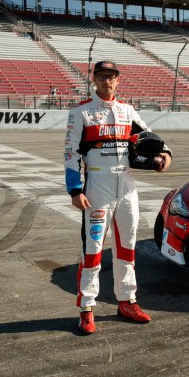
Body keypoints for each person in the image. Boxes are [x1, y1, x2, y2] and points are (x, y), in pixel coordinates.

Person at [64, 60, 172, 335]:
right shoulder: (80, 112)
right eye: (101, 76)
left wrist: (166, 154)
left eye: (111, 77)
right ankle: (86, 309)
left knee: (127, 246)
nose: (107, 81)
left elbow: (150, 137)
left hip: (126, 184)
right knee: (93, 249)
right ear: (94, 80)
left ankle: (127, 301)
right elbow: (71, 153)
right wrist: (75, 190)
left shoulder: (127, 111)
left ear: (117, 80)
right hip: (97, 184)